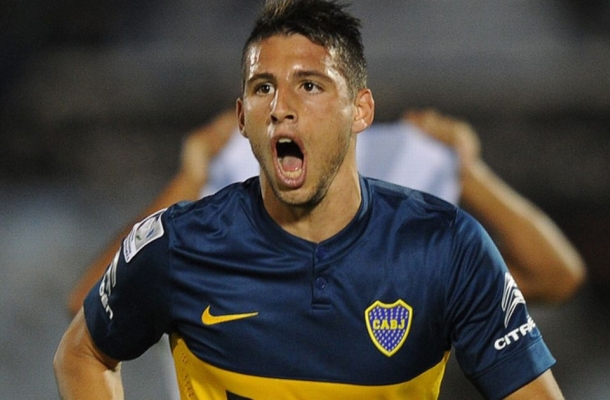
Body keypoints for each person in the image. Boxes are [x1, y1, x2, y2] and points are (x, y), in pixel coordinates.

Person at [54, 0, 565, 398]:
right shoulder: (180, 243)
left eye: (310, 86)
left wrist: (470, 174)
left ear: (360, 110)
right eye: (263, 88)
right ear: (242, 118)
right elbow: (82, 353)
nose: (281, 107)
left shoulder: (446, 246)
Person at [67, 107, 585, 315]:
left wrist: (469, 174)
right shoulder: (216, 270)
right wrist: (189, 179)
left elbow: (555, 275)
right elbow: (90, 300)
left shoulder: (404, 281)